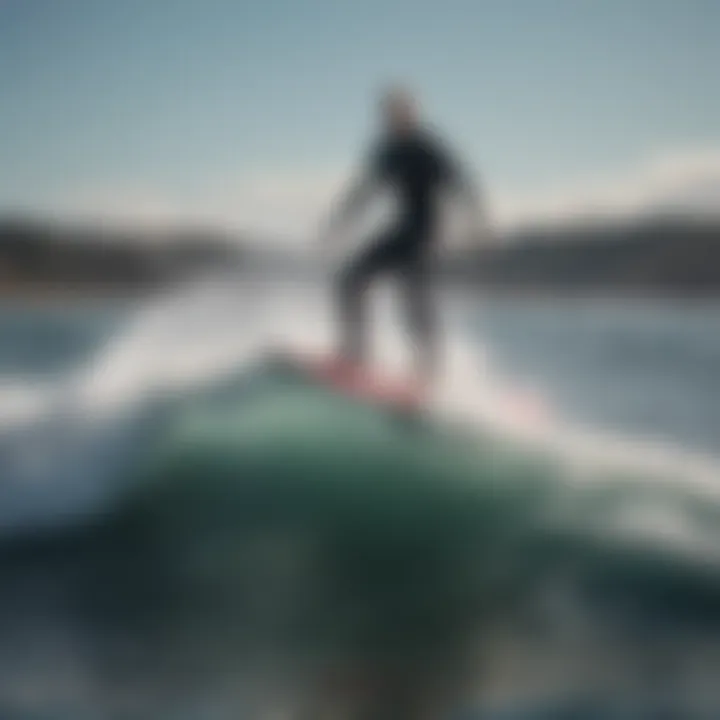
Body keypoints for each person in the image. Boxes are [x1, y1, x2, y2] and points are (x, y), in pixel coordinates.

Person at [320, 86, 486, 388]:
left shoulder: (428, 148)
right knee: (348, 280)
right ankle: (356, 354)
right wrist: (339, 222)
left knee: (413, 301)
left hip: (424, 235)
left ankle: (429, 372)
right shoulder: (388, 150)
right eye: (389, 115)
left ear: (412, 114)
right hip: (401, 230)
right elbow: (365, 190)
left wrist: (476, 221)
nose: (394, 120)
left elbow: (461, 184)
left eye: (401, 113)